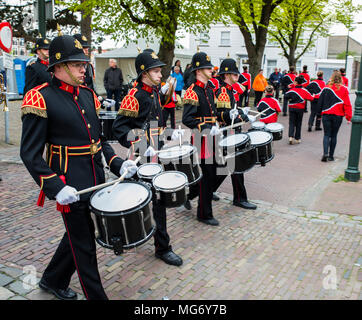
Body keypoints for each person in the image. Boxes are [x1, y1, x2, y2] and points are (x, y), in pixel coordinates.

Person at [20, 33, 138, 300]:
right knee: (85, 246)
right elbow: (29, 154)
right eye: (77, 65)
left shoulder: (87, 95)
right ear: (58, 67)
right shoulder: (40, 98)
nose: (84, 69)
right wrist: (55, 186)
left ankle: (52, 279)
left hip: (95, 178)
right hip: (69, 184)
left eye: (84, 64)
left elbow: (99, 141)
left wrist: (119, 164)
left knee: (79, 234)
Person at [112, 49, 183, 266]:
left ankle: (162, 246)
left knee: (157, 203)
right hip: (140, 159)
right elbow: (119, 129)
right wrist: (142, 145)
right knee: (134, 201)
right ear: (144, 73)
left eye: (160, 71)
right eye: (156, 71)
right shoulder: (134, 96)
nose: (160, 75)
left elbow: (155, 126)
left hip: (156, 156)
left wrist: (170, 133)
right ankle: (123, 238)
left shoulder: (153, 93)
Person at [182, 51, 248, 226]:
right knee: (207, 176)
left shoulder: (209, 90)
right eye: (207, 67)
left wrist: (228, 116)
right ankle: (203, 213)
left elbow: (215, 113)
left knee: (217, 171)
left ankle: (190, 196)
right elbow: (187, 119)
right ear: (198, 70)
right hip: (200, 138)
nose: (211, 69)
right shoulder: (192, 91)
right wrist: (205, 128)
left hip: (213, 136)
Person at [213, 58, 256, 210]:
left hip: (232, 132)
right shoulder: (223, 91)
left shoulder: (229, 90)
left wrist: (242, 114)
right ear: (226, 74)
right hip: (228, 133)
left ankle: (202, 191)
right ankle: (239, 198)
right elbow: (222, 114)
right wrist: (241, 117)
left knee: (223, 168)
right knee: (235, 166)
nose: (237, 76)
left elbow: (232, 110)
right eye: (234, 73)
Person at [318, 71, 352, 162]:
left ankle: (325, 153)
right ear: (340, 78)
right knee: (334, 135)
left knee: (326, 134)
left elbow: (320, 101)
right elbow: (347, 104)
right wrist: (349, 117)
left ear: (332, 78)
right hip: (338, 116)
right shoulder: (344, 89)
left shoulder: (326, 88)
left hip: (326, 114)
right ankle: (331, 156)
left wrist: (318, 115)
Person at [284, 75, 314, 145]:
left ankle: (291, 137)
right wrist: (313, 96)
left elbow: (285, 96)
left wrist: (290, 99)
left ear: (296, 82)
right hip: (300, 108)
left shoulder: (291, 90)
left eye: (294, 81)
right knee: (298, 123)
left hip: (292, 108)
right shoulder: (304, 90)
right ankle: (297, 138)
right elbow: (311, 98)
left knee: (291, 122)